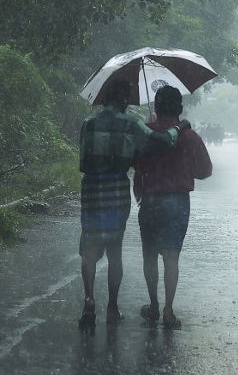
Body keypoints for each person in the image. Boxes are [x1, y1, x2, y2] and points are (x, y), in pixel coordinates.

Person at [78, 79, 190, 331]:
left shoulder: (88, 123)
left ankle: (88, 298)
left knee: (90, 246)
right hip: (116, 190)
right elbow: (160, 141)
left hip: (91, 189)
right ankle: (112, 308)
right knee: (114, 249)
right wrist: (180, 127)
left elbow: (83, 162)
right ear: (124, 101)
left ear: (104, 99)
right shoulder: (131, 123)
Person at [134, 86, 212, 329]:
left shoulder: (146, 133)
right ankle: (169, 310)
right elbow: (205, 171)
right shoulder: (189, 137)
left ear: (156, 107)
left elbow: (136, 163)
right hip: (177, 203)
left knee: (150, 256)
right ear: (180, 108)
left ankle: (154, 305)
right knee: (171, 257)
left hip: (151, 201)